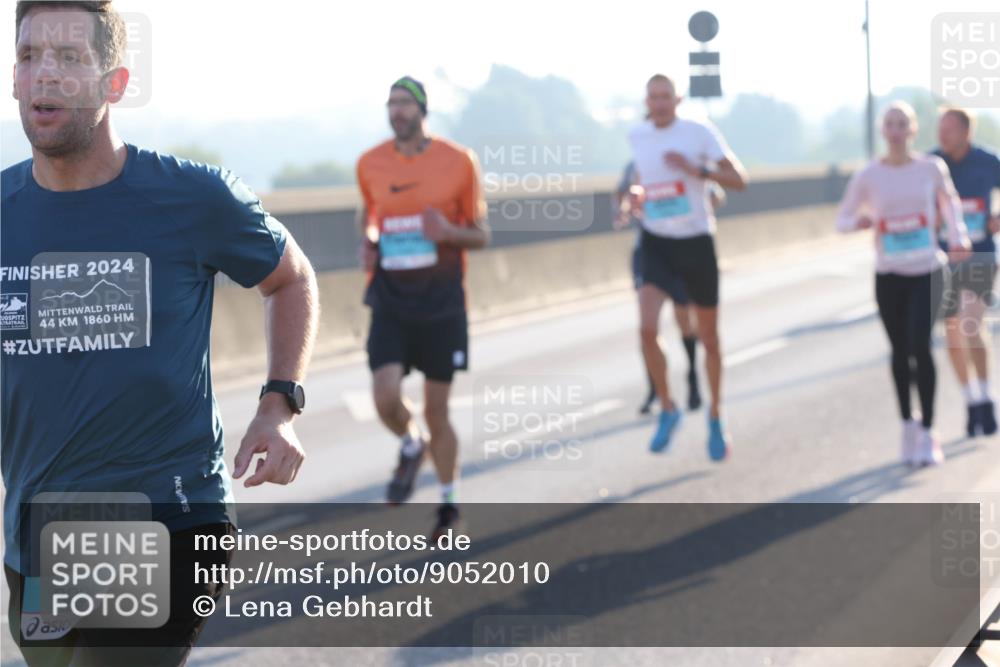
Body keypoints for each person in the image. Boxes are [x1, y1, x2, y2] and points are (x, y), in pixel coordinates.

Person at [2, 2, 319, 665]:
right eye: (30, 56)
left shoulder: (191, 199)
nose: (44, 76)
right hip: (38, 534)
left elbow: (290, 277)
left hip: (168, 515)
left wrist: (278, 403)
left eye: (69, 58)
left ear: (114, 84)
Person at [356, 76, 489, 539]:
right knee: (384, 396)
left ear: (422, 110)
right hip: (391, 298)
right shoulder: (370, 164)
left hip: (442, 303)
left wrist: (448, 233)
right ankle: (411, 445)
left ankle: (449, 505)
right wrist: (370, 242)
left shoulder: (458, 162)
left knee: (438, 410)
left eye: (405, 104)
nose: (397, 111)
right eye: (391, 103)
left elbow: (480, 233)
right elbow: (369, 216)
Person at [836, 101, 970, 466]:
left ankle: (929, 431)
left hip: (927, 269)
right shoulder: (868, 175)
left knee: (920, 346)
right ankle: (907, 426)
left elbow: (950, 203)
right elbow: (842, 219)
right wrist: (860, 223)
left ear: (912, 131)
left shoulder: (930, 167)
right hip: (889, 274)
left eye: (903, 124)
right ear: (883, 131)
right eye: (890, 124)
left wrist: (958, 236)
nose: (896, 131)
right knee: (898, 353)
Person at [626, 74, 748, 460]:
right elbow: (646, 180)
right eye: (653, 97)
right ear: (646, 101)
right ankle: (668, 407)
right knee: (646, 329)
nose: (659, 103)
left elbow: (739, 180)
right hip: (656, 242)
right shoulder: (637, 136)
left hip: (695, 243)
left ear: (677, 100)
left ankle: (715, 414)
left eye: (666, 96)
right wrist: (637, 196)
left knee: (708, 338)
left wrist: (699, 172)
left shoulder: (699, 132)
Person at [615, 160, 702, 415]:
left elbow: (713, 197)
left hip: (682, 247)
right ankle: (656, 388)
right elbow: (621, 195)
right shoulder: (635, 164)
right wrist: (625, 208)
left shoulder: (684, 158)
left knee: (684, 319)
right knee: (647, 329)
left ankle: (693, 376)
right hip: (649, 252)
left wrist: (685, 205)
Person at [934, 108, 1000, 437]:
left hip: (980, 254)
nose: (942, 135)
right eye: (939, 128)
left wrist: (998, 219)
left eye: (949, 129)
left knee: (970, 324)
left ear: (966, 132)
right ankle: (970, 400)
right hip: (943, 257)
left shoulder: (988, 161)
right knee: (952, 331)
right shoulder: (931, 164)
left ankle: (987, 395)